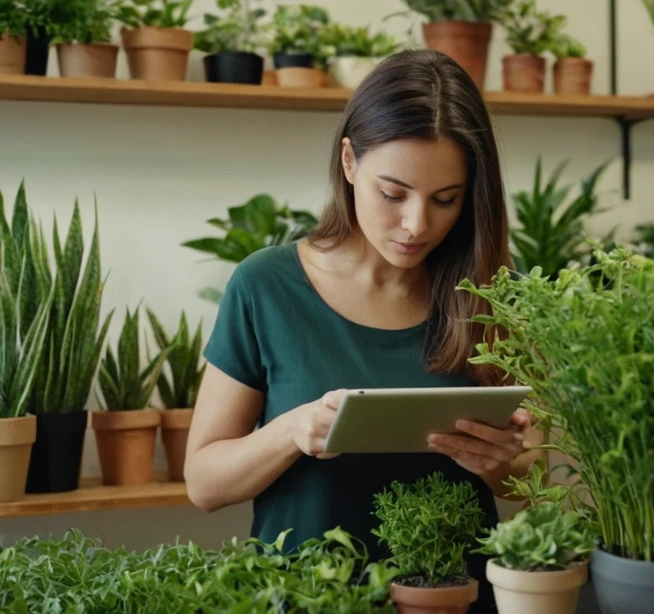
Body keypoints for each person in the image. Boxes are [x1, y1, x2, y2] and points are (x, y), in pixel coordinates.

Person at [182, 49, 543, 613]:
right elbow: (203, 484)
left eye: (445, 199)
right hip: (305, 600)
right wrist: (292, 430)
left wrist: (504, 466)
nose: (417, 224)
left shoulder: (496, 290)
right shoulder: (267, 286)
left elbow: (530, 468)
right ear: (349, 161)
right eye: (393, 194)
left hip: (456, 599)